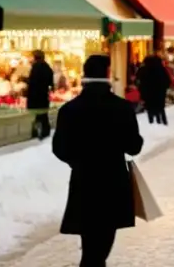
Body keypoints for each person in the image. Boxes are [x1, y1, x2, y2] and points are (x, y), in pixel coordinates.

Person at [53, 54, 144, 267]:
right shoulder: (121, 108)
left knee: (90, 240)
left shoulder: (69, 110)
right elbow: (134, 146)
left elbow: (59, 148)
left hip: (84, 180)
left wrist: (77, 161)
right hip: (113, 180)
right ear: (107, 74)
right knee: (101, 243)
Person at [136, 51, 170, 125]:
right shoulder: (161, 69)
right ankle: (161, 120)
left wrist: (141, 89)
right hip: (159, 93)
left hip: (147, 93)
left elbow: (138, 80)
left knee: (150, 108)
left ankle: (151, 121)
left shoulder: (143, 69)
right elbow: (167, 81)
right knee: (160, 107)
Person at [27, 50, 55, 140]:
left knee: (36, 117)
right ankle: (45, 132)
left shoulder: (36, 67)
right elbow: (51, 83)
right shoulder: (47, 67)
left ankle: (36, 134)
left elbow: (33, 82)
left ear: (35, 57)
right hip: (43, 97)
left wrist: (24, 80)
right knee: (43, 116)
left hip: (36, 97)